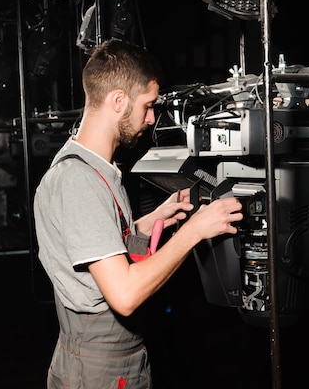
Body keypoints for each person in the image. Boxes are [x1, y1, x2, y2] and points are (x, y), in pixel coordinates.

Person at [33, 39, 243, 389]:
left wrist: (152, 219)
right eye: (147, 105)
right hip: (100, 368)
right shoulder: (79, 181)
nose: (150, 118)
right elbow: (125, 295)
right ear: (118, 100)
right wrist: (194, 231)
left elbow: (99, 243)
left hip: (108, 360)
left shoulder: (92, 168)